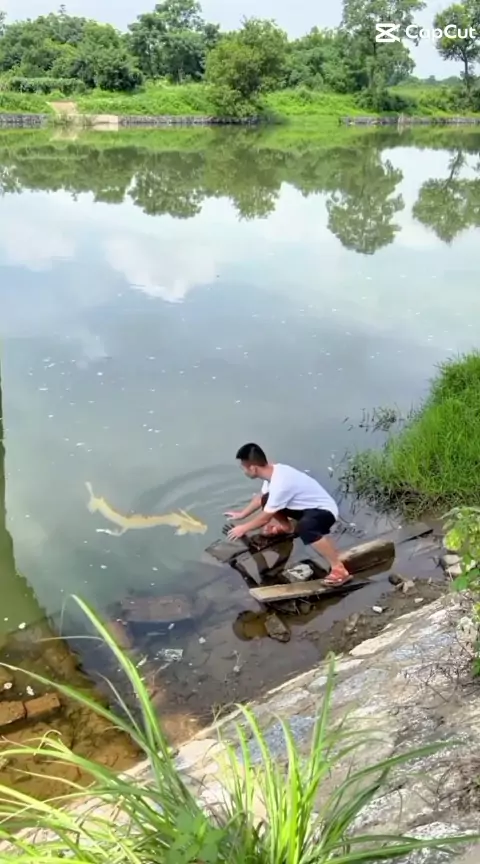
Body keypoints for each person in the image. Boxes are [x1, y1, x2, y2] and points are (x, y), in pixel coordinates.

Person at [225, 443, 351, 586]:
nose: (243, 471)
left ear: (253, 468)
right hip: (306, 508)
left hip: (325, 511)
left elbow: (264, 518)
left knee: (306, 528)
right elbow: (261, 498)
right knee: (266, 499)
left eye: (243, 468)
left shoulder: (281, 483)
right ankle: (287, 528)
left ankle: (339, 569)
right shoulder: (272, 472)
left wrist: (243, 528)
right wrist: (242, 514)